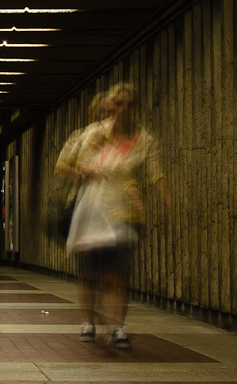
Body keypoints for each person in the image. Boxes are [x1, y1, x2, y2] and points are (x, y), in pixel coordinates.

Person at [56, 83, 170, 347]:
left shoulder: (144, 140)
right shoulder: (93, 134)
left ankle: (118, 327)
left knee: (117, 273)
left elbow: (154, 172)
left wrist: (165, 199)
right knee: (89, 272)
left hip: (121, 215)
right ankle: (89, 321)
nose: (122, 110)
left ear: (136, 108)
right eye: (117, 105)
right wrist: (80, 171)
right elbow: (65, 163)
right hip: (90, 212)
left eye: (129, 105)